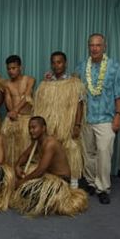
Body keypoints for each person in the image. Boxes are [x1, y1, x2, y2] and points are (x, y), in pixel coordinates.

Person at [75, 33, 120, 204]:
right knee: (88, 153)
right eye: (92, 45)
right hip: (86, 119)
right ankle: (91, 183)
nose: (95, 48)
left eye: (98, 45)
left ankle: (103, 188)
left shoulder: (114, 67)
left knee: (104, 153)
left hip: (106, 118)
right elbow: (72, 90)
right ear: (88, 47)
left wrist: (118, 116)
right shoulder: (81, 67)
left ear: (104, 47)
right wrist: (51, 78)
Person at [10, 116, 88, 216]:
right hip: (48, 176)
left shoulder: (50, 143)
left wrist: (22, 182)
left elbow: (41, 170)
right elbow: (25, 155)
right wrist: (17, 166)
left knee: (30, 193)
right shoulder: (37, 141)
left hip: (60, 180)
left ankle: (67, 191)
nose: (31, 131)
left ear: (43, 128)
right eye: (29, 128)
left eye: (34, 127)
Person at [34, 51, 85, 188]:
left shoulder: (74, 83)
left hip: (67, 124)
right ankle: (54, 180)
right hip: (51, 124)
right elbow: (41, 105)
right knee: (52, 151)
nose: (56, 65)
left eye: (59, 62)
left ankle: (73, 182)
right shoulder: (46, 83)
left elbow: (79, 105)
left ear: (65, 63)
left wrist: (77, 124)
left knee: (70, 149)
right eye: (54, 62)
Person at [1, 55, 35, 167]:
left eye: (13, 68)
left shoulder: (30, 80)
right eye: (9, 69)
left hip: (26, 120)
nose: (11, 71)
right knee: (11, 151)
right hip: (12, 119)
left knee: (26, 149)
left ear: (20, 67)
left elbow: (27, 96)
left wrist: (16, 110)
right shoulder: (6, 84)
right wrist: (12, 112)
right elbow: (8, 99)